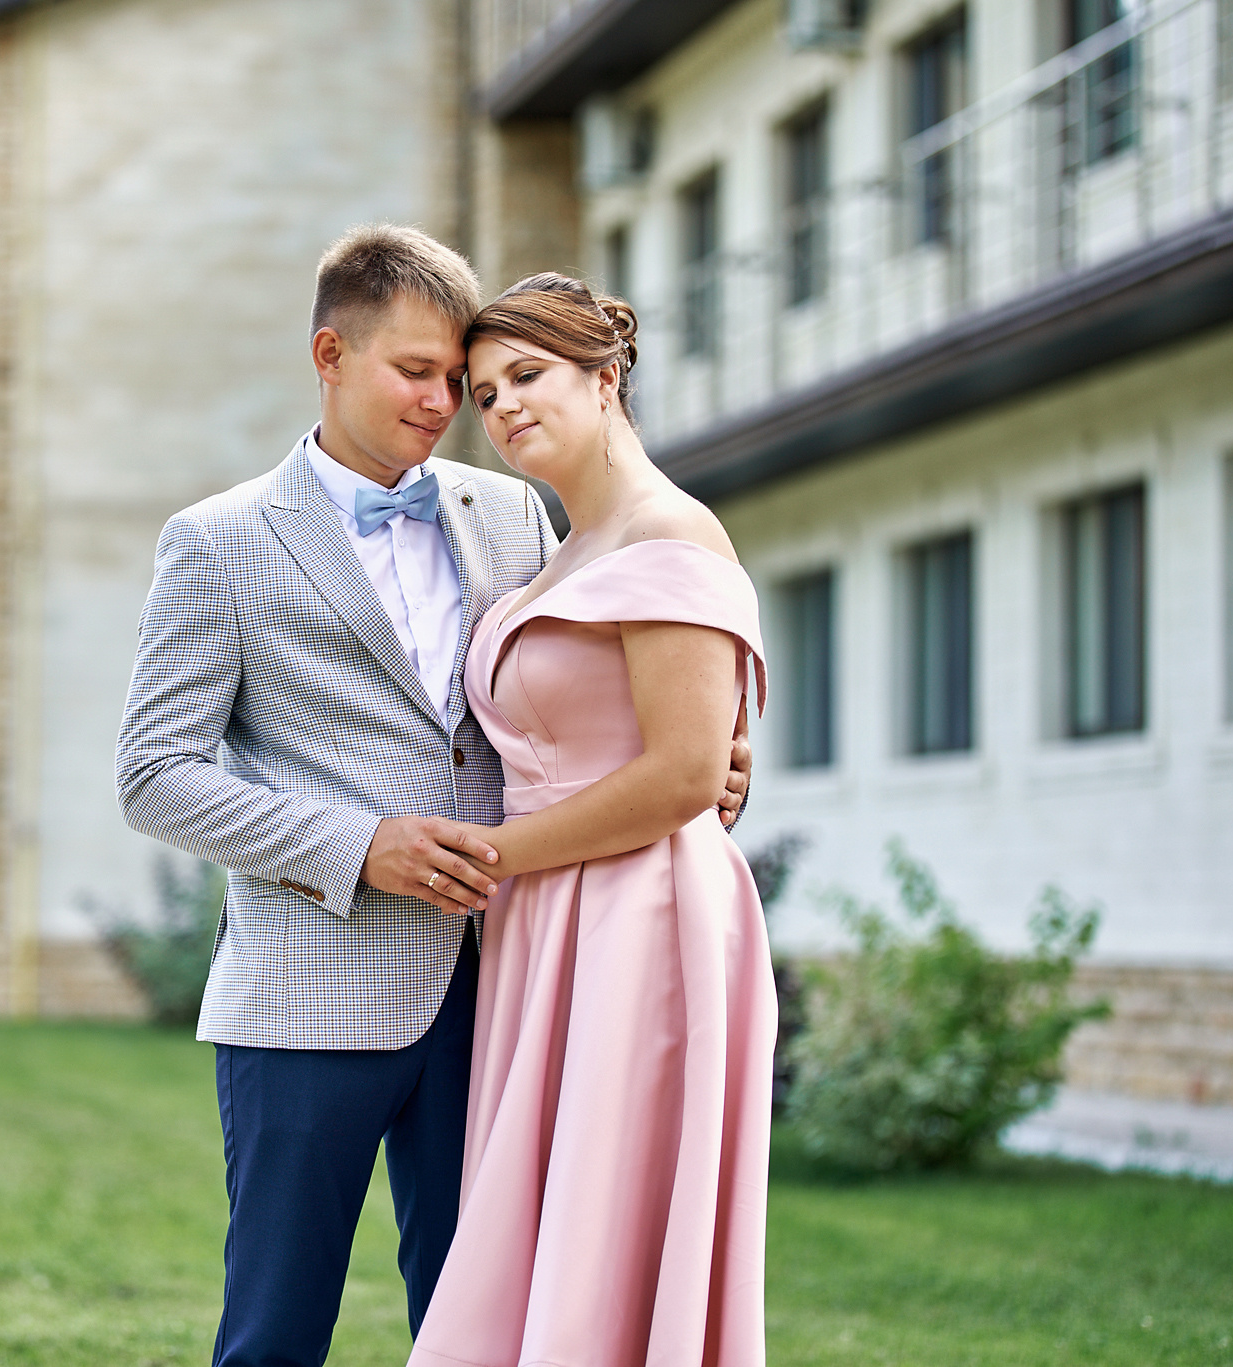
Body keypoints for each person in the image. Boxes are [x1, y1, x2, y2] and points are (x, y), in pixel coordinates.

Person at [114, 226, 752, 1367]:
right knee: (271, 1330)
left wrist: (701, 760)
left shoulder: (510, 511)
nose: (446, 401)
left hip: (504, 986)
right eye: (417, 372)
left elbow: (586, 678)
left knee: (482, 1321)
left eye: (458, 378)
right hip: (306, 987)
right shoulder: (214, 541)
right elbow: (155, 773)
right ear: (329, 352)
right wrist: (359, 844)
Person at [407, 273, 776, 1367]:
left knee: (607, 1216)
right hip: (546, 915)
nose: (502, 405)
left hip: (638, 914)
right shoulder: (557, 547)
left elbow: (676, 776)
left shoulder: (669, 530)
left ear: (603, 376)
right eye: (483, 390)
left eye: (528, 374)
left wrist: (487, 856)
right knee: (545, 1217)